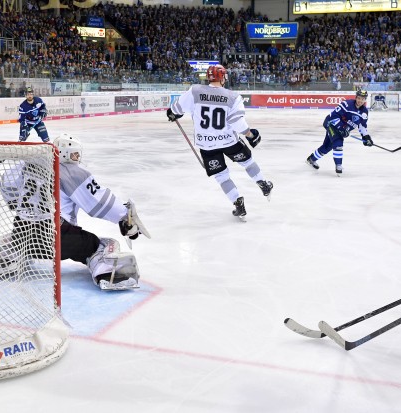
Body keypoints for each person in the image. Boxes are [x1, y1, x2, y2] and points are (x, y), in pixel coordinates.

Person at [166, 64, 273, 221]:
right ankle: (263, 184)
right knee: (248, 163)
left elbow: (175, 109)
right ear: (223, 77)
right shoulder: (233, 96)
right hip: (229, 141)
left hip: (206, 145)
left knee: (222, 177)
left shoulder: (194, 91)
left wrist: (173, 113)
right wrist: (250, 134)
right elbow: (237, 123)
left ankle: (238, 203)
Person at [55, 133, 149, 290]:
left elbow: (8, 187)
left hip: (25, 235)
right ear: (64, 154)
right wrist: (125, 218)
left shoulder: (32, 167)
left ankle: (6, 255)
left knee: (16, 241)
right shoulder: (71, 173)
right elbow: (99, 203)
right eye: (75, 153)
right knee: (104, 245)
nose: (77, 157)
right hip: (58, 238)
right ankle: (109, 274)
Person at [306, 89, 373, 176]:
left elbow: (362, 125)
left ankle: (311, 159)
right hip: (331, 124)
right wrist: (342, 128)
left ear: (365, 100)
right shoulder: (347, 104)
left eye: (363, 99)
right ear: (356, 97)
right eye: (359, 98)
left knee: (328, 146)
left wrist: (366, 137)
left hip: (342, 129)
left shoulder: (364, 112)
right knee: (338, 142)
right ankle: (339, 166)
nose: (360, 101)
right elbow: (334, 116)